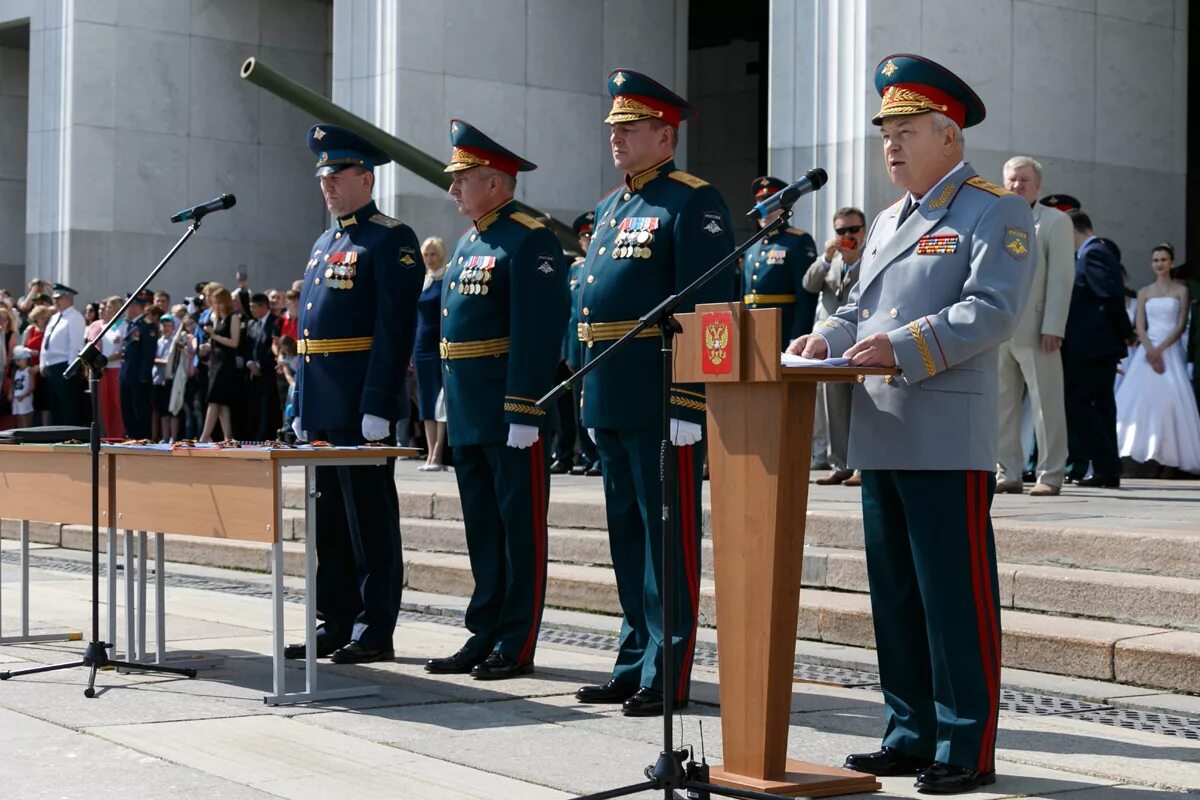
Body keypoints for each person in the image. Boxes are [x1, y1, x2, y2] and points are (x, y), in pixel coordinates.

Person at [788, 54, 1034, 792]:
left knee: (952, 597)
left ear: (948, 136)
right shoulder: (893, 216)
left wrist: (902, 345)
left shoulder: (994, 208)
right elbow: (860, 306)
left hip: (943, 435)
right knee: (894, 594)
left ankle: (965, 746)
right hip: (882, 432)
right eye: (885, 133)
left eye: (905, 132)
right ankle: (908, 730)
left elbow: (991, 311)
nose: (890, 146)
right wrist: (823, 339)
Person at [572, 70, 734, 717]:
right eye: (613, 128)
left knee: (665, 542)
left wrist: (691, 402)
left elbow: (712, 308)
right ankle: (632, 658)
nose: (615, 138)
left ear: (664, 135)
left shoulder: (693, 202)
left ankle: (666, 669)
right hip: (612, 394)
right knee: (626, 538)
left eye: (628, 128)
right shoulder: (614, 207)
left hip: (662, 399)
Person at [423, 120, 567, 680]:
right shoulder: (468, 240)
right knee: (483, 527)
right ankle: (482, 632)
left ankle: (516, 641)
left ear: (496, 182)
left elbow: (539, 327)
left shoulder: (530, 236)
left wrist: (525, 405)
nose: (453, 190)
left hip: (511, 412)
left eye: (463, 179)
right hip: (468, 409)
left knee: (518, 528)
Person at [286, 124, 423, 665]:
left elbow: (394, 329)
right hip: (322, 404)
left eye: (337, 175)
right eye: (323, 176)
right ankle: (336, 619)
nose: (327, 184)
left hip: (359, 404)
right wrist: (299, 405)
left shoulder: (391, 238)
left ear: (365, 178)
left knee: (369, 519)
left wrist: (377, 402)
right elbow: (308, 333)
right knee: (330, 524)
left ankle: (374, 625)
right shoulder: (326, 242)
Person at [993, 157, 1075, 497]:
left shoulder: (1055, 221)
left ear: (1037, 186)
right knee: (1001, 405)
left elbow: (1061, 277)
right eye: (1012, 180)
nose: (1017, 186)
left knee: (1047, 405)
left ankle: (1050, 474)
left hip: (1039, 328)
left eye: (1024, 180)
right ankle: (1007, 472)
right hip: (999, 328)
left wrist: (1054, 325)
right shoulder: (994, 218)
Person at [1115, 245, 1200, 474]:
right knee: (1138, 401)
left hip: (1169, 349)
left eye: (1163, 259)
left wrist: (1160, 349)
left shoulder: (1181, 291)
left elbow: (1181, 325)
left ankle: (1169, 457)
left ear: (1171, 263)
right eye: (1155, 260)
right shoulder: (1144, 292)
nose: (1159, 263)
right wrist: (1150, 350)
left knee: (1171, 400)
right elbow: (1140, 326)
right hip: (1147, 349)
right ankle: (1137, 455)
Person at [1063, 210, 1132, 488]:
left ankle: (1106, 465)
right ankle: (1107, 469)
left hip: (1093, 346)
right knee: (1102, 407)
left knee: (1078, 402)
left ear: (1073, 230)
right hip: (1099, 346)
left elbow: (1109, 295)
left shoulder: (1093, 253)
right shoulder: (1095, 253)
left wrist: (1124, 333)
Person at [803, 206, 867, 486]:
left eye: (853, 230)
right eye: (841, 231)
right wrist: (826, 258)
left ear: (863, 231)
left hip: (861, 339)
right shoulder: (833, 261)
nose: (848, 236)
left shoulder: (871, 258)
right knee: (835, 405)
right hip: (831, 344)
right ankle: (840, 463)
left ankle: (863, 467)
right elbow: (809, 284)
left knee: (863, 405)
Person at [742, 176, 819, 351]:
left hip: (782, 334)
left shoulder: (798, 241)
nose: (764, 209)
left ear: (784, 206)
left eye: (770, 203)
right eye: (760, 202)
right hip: (751, 333)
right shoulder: (752, 246)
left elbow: (806, 297)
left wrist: (797, 337)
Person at [563, 211, 601, 476]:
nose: (587, 240)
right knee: (579, 405)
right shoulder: (575, 269)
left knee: (596, 402)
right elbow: (568, 313)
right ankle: (587, 456)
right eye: (583, 236)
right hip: (576, 346)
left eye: (591, 234)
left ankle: (600, 456)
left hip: (597, 344)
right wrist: (566, 351)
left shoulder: (601, 263)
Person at [413, 236, 448, 471]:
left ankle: (438, 454)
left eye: (433, 254)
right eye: (425, 255)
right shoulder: (423, 281)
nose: (428, 259)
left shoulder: (445, 280)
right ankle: (428, 452)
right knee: (425, 402)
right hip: (421, 346)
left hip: (439, 346)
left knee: (439, 402)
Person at [40, 283, 88, 426]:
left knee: (67, 406)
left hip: (65, 366)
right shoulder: (55, 317)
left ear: (69, 298)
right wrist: (43, 363)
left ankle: (70, 437)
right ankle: (58, 436)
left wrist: (72, 367)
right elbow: (45, 341)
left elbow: (76, 345)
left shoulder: (75, 317)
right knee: (56, 407)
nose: (55, 301)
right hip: (52, 367)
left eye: (59, 298)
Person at [198, 287, 240, 442]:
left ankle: (204, 436)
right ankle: (228, 436)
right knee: (221, 402)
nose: (215, 305)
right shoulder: (216, 318)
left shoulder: (233, 317)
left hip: (226, 363)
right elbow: (216, 341)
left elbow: (234, 342)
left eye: (217, 302)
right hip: (215, 361)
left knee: (214, 400)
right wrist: (208, 345)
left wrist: (214, 335)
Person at [118, 296, 157, 439]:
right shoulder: (130, 325)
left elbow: (149, 353)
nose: (125, 309)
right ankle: (131, 437)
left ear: (136, 307)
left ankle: (142, 439)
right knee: (127, 411)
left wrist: (144, 376)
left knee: (140, 411)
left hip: (138, 377)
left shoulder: (147, 326)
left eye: (128, 305)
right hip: (126, 374)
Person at [244, 292, 281, 440]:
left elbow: (272, 347)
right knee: (255, 409)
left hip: (269, 373)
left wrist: (260, 365)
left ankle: (267, 438)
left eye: (253, 307)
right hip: (253, 374)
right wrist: (250, 363)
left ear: (263, 306)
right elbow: (246, 346)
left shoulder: (276, 322)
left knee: (268, 408)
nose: (251, 310)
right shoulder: (251, 324)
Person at [9, 345, 34, 427]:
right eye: (16, 360)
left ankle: (26, 437)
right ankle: (20, 437)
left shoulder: (29, 370)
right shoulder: (16, 371)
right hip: (16, 398)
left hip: (25, 397)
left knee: (25, 418)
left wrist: (23, 395)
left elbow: (32, 386)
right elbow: (13, 384)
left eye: (20, 359)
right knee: (18, 418)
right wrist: (11, 394)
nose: (17, 361)